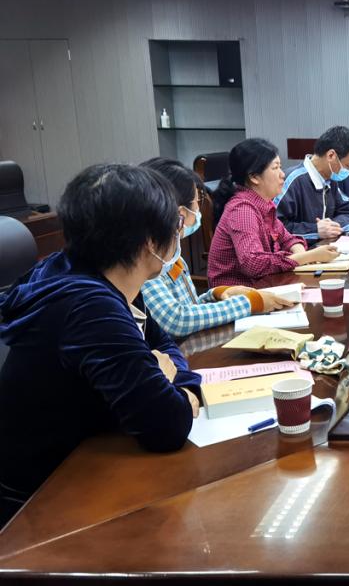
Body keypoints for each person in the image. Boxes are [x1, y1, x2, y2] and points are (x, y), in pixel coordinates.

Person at [0, 164, 202, 525]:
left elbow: (165, 344)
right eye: (174, 225)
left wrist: (172, 377)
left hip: (90, 460)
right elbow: (167, 427)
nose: (179, 232)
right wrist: (175, 386)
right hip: (43, 503)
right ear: (149, 242)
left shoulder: (101, 274)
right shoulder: (89, 305)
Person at [139, 157, 297, 337]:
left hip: (194, 341)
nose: (198, 210)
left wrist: (217, 294)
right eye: (197, 201)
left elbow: (191, 307)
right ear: (179, 212)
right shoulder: (149, 259)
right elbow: (178, 319)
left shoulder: (173, 253)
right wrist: (251, 303)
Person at [208, 138, 339, 288]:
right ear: (254, 177)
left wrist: (301, 253)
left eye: (280, 167)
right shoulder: (242, 210)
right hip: (237, 294)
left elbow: (287, 239)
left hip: (263, 285)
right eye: (275, 168)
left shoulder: (264, 205)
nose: (282, 174)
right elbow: (253, 263)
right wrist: (307, 257)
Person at [276, 126, 349, 241]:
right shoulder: (292, 181)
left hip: (325, 247)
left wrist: (333, 226)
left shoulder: (330, 180)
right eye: (348, 165)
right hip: (300, 250)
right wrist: (315, 230)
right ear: (331, 155)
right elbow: (274, 228)